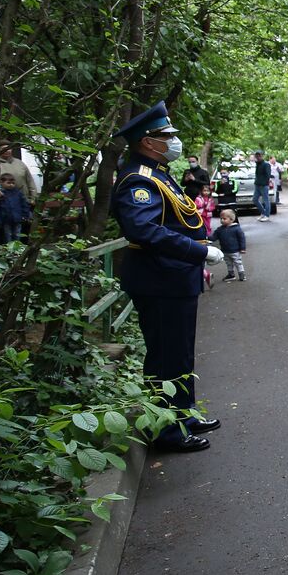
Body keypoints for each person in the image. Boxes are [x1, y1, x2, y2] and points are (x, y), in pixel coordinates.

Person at [111, 100, 224, 452]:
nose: (173, 141)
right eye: (167, 135)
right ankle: (166, 432)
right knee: (164, 358)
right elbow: (144, 232)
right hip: (159, 279)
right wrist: (198, 251)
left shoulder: (159, 172)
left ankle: (184, 414)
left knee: (179, 354)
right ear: (148, 141)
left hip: (173, 278)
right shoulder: (137, 180)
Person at [0, 173, 32, 243]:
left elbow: (24, 205)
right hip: (5, 219)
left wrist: (25, 215)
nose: (11, 185)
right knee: (7, 235)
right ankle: (9, 249)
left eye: (13, 183)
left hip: (18, 219)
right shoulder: (0, 194)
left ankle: (17, 248)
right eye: (8, 183)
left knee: (17, 234)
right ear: (2, 183)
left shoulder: (18, 193)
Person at [211, 208, 247, 281]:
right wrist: (206, 238)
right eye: (221, 218)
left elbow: (242, 239)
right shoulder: (219, 229)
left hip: (235, 250)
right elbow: (213, 237)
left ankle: (242, 274)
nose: (222, 220)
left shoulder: (236, 229)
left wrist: (242, 248)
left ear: (231, 219)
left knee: (238, 262)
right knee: (228, 263)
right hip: (225, 250)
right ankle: (231, 274)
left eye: (224, 218)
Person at [252, 151, 272, 221]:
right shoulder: (258, 164)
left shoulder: (266, 164)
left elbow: (268, 175)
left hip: (263, 185)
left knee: (266, 200)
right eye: (256, 156)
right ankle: (263, 212)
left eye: (259, 156)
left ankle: (266, 215)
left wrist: (265, 182)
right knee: (254, 199)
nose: (258, 157)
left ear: (262, 156)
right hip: (257, 184)